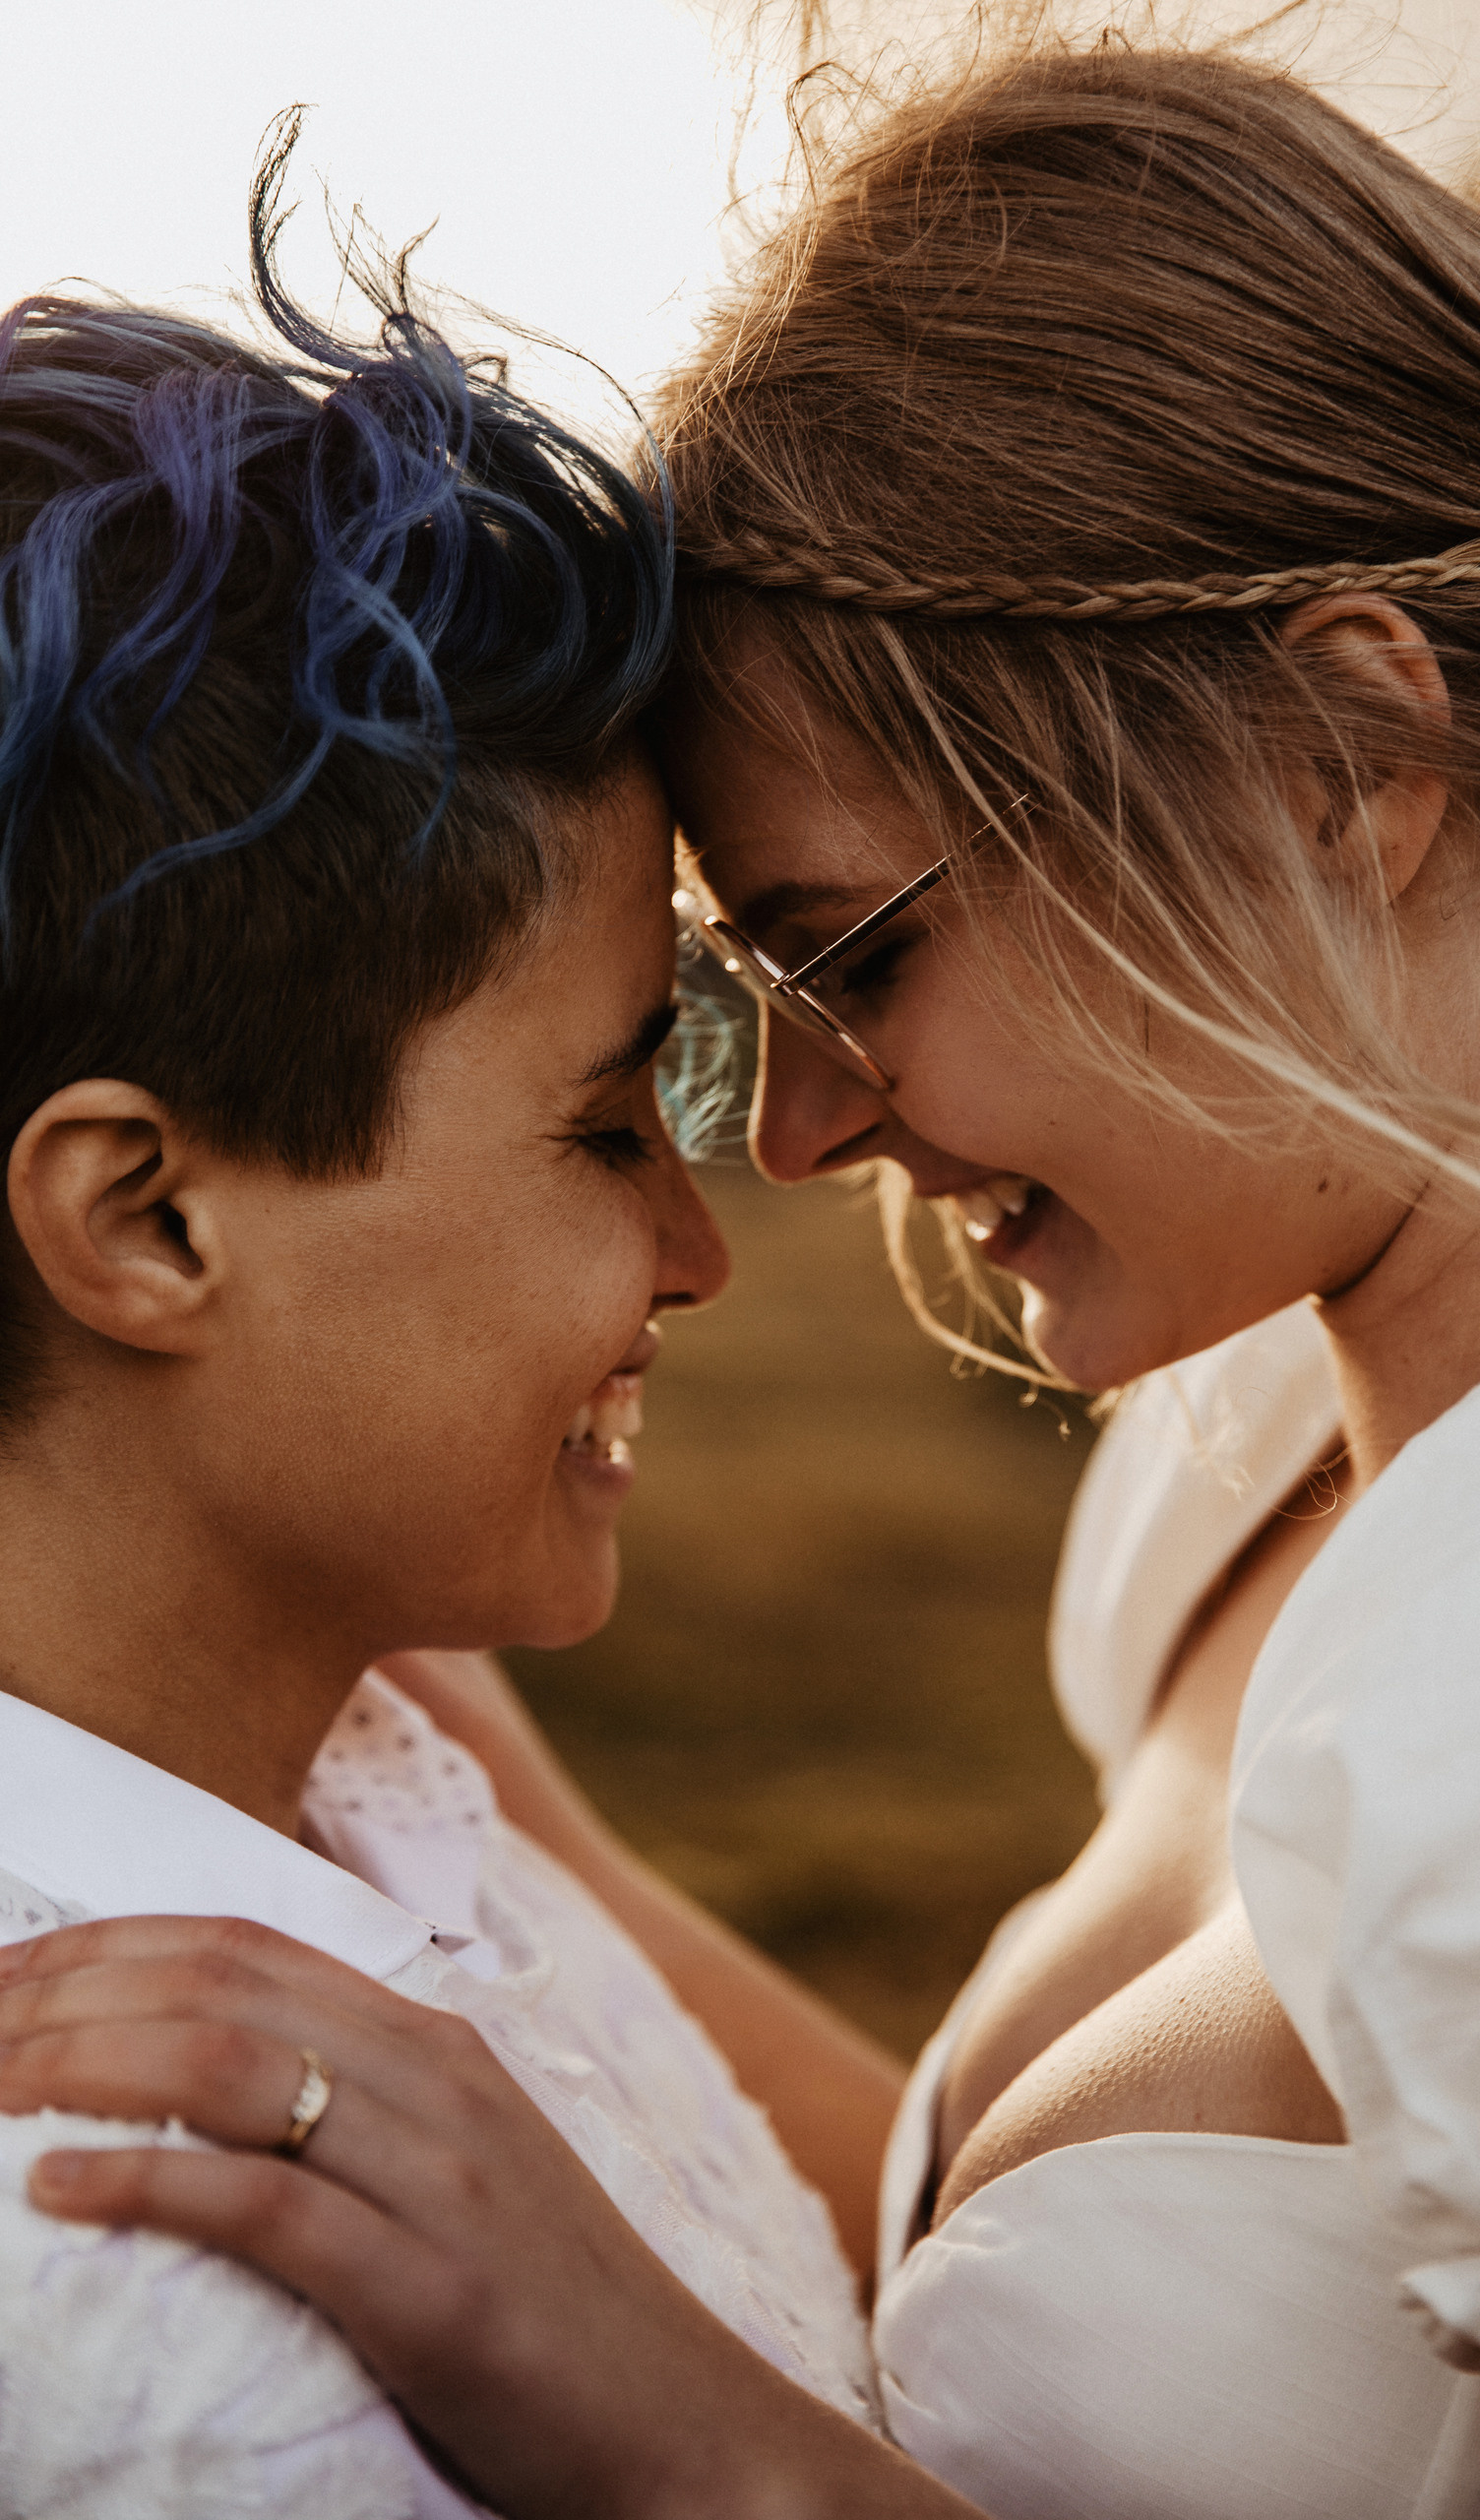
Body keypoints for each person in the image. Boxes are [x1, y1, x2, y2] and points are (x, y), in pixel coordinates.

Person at [9, 32, 1480, 2520]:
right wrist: (515, 1870)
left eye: (847, 954)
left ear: (1339, 759)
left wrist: (728, 2468)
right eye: (697, 1043)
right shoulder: (1261, 1426)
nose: (785, 1139)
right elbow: (1153, 2290)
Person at [0, 132, 899, 2514]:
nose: (701, 1248)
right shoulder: (118, 2255)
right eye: (609, 1126)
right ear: (146, 1221)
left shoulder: (366, 1767)